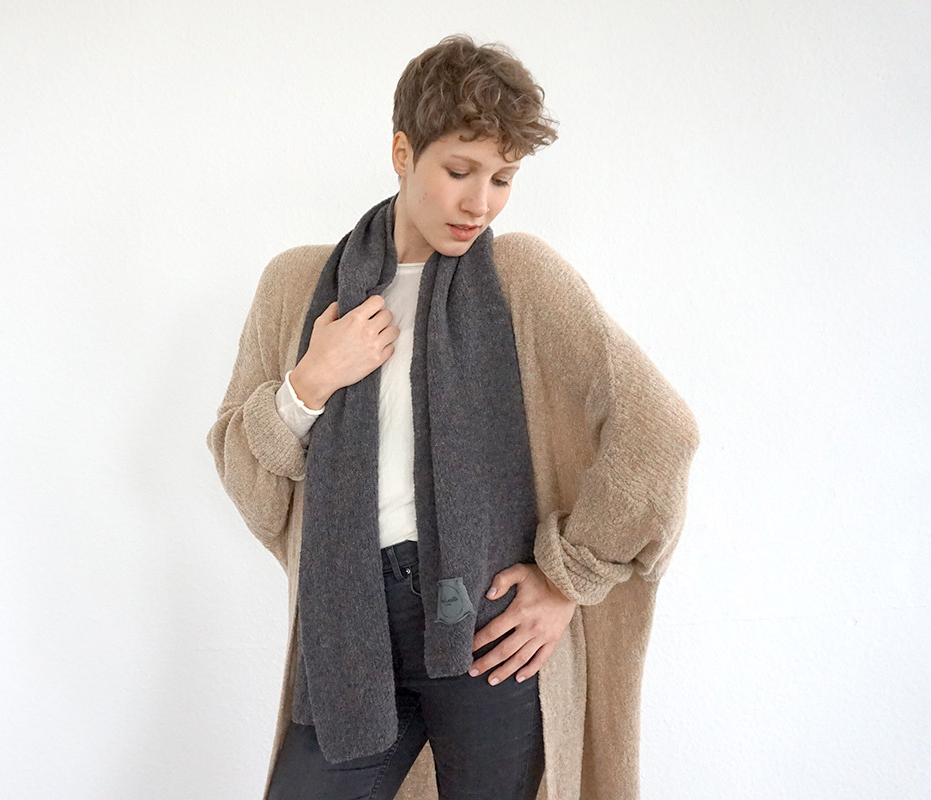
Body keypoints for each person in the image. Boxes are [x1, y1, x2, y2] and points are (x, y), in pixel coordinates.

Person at [207, 34, 700, 800]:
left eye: (503, 178)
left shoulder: (521, 279)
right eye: (460, 171)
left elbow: (661, 429)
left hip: (484, 628)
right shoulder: (298, 288)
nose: (481, 203)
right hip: (348, 630)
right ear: (403, 153)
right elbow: (250, 484)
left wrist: (567, 581)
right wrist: (309, 382)